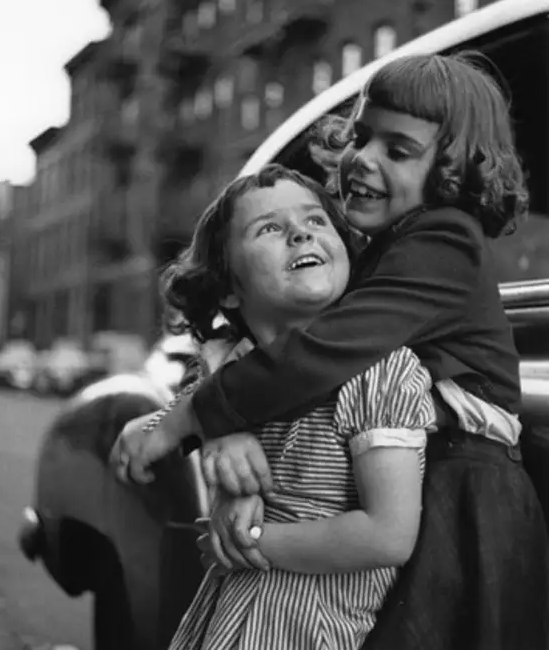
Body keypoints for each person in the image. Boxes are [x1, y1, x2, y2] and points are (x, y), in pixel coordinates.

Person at [114, 53, 549, 648]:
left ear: (452, 171)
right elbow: (258, 349)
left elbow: (322, 351)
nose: (363, 159)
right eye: (362, 136)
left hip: (467, 500)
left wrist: (194, 416)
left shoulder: (443, 240)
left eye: (398, 150)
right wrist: (223, 425)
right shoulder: (377, 252)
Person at [155, 164, 436, 650]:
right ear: (227, 288)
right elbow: (174, 427)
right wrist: (222, 431)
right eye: (268, 228)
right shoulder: (235, 384)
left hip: (307, 631)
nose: (300, 232)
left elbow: (389, 534)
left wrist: (249, 540)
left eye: (316, 221)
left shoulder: (378, 372)